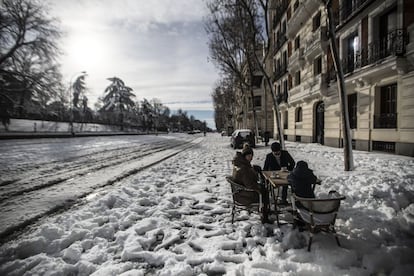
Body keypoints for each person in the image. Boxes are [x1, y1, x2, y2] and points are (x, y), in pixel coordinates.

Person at [232, 145, 271, 223]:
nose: (251, 157)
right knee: (265, 192)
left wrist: (253, 170)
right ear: (244, 156)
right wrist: (259, 188)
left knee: (264, 189)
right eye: (249, 156)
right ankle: (265, 216)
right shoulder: (243, 168)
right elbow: (249, 184)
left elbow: (247, 179)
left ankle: (265, 211)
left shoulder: (240, 164)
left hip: (239, 192)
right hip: (245, 195)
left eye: (251, 155)